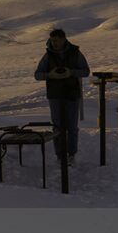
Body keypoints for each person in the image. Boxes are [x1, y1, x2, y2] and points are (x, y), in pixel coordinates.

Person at [34, 28, 91, 164]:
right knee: (57, 126)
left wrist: (70, 73)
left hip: (71, 94)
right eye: (53, 41)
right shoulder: (48, 55)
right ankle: (60, 156)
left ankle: (71, 155)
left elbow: (86, 71)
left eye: (57, 41)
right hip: (55, 95)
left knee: (72, 126)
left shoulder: (75, 53)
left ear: (64, 39)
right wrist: (50, 75)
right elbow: (37, 74)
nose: (55, 44)